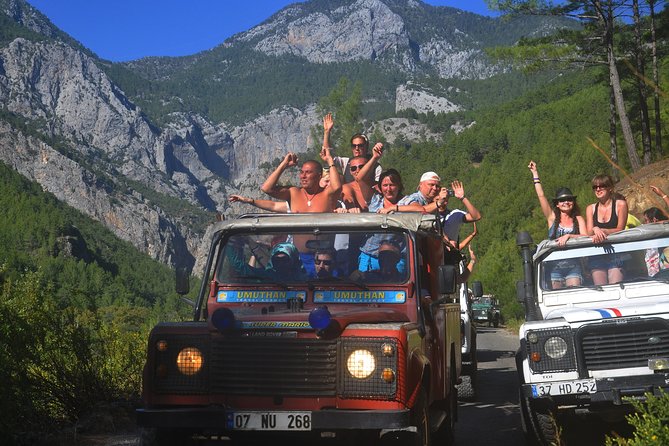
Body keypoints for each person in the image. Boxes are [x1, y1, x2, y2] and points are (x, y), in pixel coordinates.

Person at [261, 149, 342, 213]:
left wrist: (330, 160)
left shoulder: (327, 194)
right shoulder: (293, 193)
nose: (303, 176)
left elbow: (337, 187)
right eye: (302, 172)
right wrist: (284, 165)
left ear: (319, 176)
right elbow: (266, 188)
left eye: (308, 172)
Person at [355, 144, 424, 213]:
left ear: (399, 186)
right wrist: (374, 158)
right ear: (380, 187)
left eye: (392, 185)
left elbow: (420, 209)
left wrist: (393, 208)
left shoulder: (406, 200)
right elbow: (360, 179)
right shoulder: (375, 200)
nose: (388, 189)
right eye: (385, 185)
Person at [585, 174, 628, 285]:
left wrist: (604, 231)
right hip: (596, 253)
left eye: (602, 186)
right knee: (601, 292)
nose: (598, 189)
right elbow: (588, 232)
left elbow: (620, 228)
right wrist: (595, 228)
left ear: (610, 188)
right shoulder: (590, 208)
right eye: (595, 187)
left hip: (616, 252)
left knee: (615, 288)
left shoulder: (620, 204)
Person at [322, 112, 382, 183]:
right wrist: (327, 132)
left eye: (360, 145)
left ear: (366, 146)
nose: (357, 148)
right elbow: (327, 155)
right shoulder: (346, 162)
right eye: (354, 146)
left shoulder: (376, 167)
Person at [228, 241, 308, 282]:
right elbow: (239, 266)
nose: (280, 263)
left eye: (284, 260)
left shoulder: (305, 279)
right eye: (276, 260)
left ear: (293, 260)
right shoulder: (268, 275)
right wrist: (232, 243)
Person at [435, 181, 482, 250]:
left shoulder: (455, 214)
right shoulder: (427, 214)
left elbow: (476, 216)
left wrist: (462, 198)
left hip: (448, 256)